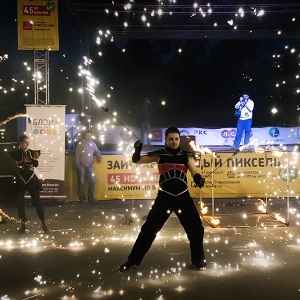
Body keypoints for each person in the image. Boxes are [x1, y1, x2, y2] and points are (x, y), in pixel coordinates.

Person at [119, 127, 206, 272]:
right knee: (148, 229)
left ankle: (198, 261)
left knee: (196, 229)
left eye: (176, 139)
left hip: (183, 197)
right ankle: (132, 261)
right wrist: (137, 150)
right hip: (164, 197)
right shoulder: (159, 155)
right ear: (165, 139)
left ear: (179, 139)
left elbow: (194, 171)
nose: (174, 142)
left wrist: (198, 179)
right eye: (171, 139)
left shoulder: (186, 156)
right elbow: (137, 160)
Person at [9, 135, 49, 234]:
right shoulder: (16, 153)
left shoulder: (32, 152)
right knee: (20, 203)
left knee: (37, 201)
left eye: (28, 142)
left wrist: (34, 159)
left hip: (31, 179)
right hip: (21, 179)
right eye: (25, 142)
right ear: (20, 143)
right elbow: (14, 164)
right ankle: (23, 225)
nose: (27, 144)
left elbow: (36, 165)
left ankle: (44, 224)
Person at [75, 130, 101, 202]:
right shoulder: (80, 144)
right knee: (81, 181)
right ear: (84, 136)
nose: (89, 137)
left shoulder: (93, 144)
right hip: (81, 165)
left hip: (89, 165)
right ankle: (82, 198)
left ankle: (90, 197)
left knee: (93, 181)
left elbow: (96, 151)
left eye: (90, 135)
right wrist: (77, 164)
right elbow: (77, 155)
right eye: (87, 135)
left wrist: (98, 155)